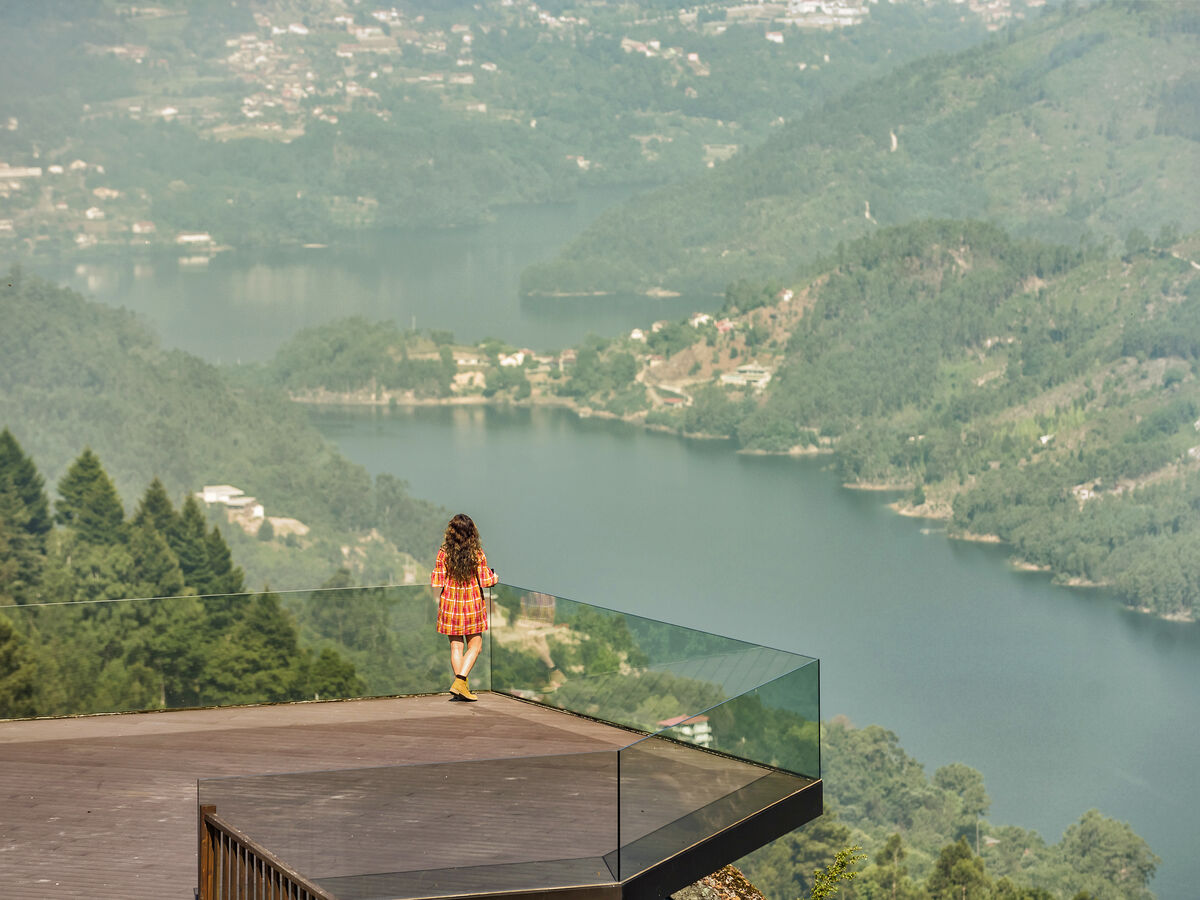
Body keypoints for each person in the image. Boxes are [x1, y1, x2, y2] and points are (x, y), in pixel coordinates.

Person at [430, 513, 498, 702]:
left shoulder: (444, 552)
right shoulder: (476, 553)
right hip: (472, 603)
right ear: (471, 532)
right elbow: (485, 580)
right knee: (475, 646)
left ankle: (461, 687)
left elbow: (437, 580)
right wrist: (496, 578)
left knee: (456, 647)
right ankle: (460, 682)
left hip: (450, 604)